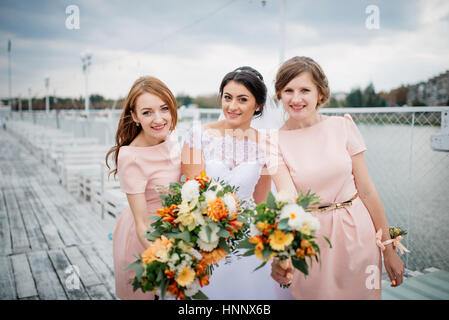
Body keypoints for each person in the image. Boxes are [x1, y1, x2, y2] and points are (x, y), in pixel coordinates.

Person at [270, 56, 405, 299]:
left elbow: (367, 191)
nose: (296, 98)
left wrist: (388, 250)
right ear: (279, 94)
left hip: (357, 235)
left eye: (304, 90)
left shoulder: (343, 126)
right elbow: (287, 199)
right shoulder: (273, 142)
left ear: (320, 94)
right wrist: (285, 253)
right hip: (311, 242)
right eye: (288, 90)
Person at [181, 66, 292, 299]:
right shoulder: (197, 135)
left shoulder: (266, 144)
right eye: (227, 97)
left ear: (258, 105)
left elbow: (260, 202)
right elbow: (191, 193)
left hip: (246, 239)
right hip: (204, 236)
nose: (232, 106)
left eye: (242, 99)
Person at [106, 76, 181, 300]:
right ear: (135, 116)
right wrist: (168, 258)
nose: (158, 119)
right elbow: (141, 223)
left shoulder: (172, 138)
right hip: (144, 239)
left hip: (173, 233)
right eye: (147, 112)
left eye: (164, 109)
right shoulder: (131, 157)